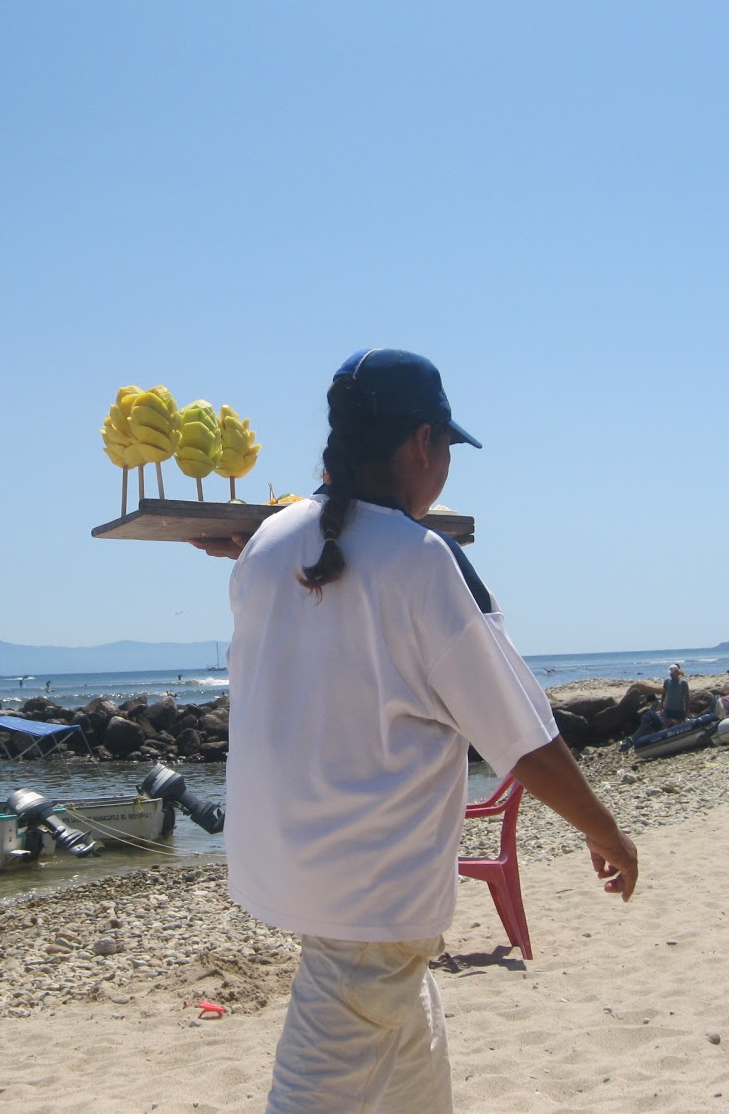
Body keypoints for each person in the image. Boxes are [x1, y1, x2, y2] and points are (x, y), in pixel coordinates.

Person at [198, 348, 637, 1114]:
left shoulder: (264, 546)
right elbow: (523, 738)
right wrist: (607, 833)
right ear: (423, 444)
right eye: (447, 448)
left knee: (414, 1078)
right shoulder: (426, 561)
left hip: (292, 876)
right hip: (372, 904)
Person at [637, 663, 690, 736]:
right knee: (667, 724)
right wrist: (662, 705)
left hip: (679, 708)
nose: (671, 674)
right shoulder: (667, 681)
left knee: (680, 724)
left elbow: (687, 697)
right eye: (670, 673)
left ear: (677, 672)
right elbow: (664, 694)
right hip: (668, 707)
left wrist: (687, 709)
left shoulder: (683, 683)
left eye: (672, 673)